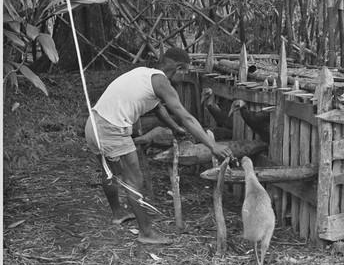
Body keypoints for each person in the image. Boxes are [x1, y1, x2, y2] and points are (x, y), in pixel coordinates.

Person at [85, 47, 234, 244]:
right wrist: (213, 145)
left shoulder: (145, 74)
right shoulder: (162, 82)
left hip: (93, 123)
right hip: (113, 129)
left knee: (109, 171)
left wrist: (175, 129)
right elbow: (186, 117)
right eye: (185, 73)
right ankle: (146, 233)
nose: (184, 77)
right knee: (134, 180)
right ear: (179, 69)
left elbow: (158, 109)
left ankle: (118, 214)